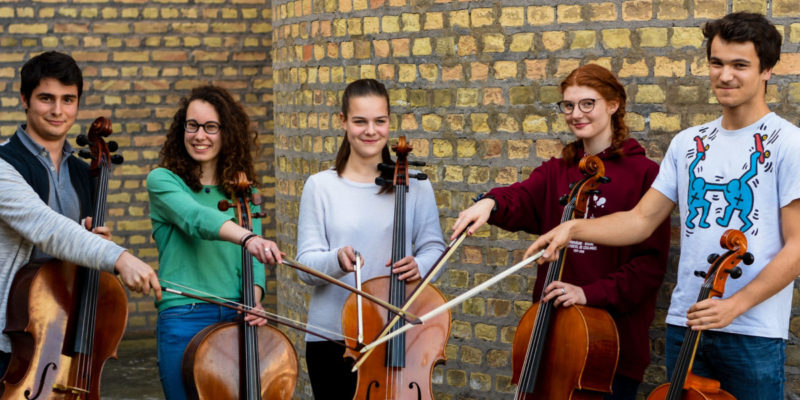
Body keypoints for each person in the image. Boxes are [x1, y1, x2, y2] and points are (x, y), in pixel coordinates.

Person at [527, 13, 799, 399]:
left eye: (740, 65)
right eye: (717, 63)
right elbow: (640, 220)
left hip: (750, 332)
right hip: (685, 324)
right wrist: (572, 228)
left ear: (767, 70)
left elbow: (798, 247)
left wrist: (735, 305)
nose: (725, 76)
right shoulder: (688, 143)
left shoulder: (789, 144)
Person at [451, 64, 669, 399]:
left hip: (609, 348)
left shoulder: (645, 174)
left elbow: (649, 267)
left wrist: (588, 293)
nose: (576, 114)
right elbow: (520, 197)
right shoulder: (558, 170)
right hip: (551, 339)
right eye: (568, 105)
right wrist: (490, 202)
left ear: (613, 105)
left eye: (587, 103)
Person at [0, 51, 161, 375]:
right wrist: (119, 257)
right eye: (46, 98)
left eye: (68, 99)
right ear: (24, 99)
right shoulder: (4, 165)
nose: (58, 110)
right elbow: (46, 228)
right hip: (8, 335)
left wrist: (94, 242)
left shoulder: (82, 171)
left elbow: (75, 245)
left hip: (62, 329)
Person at [296, 78, 446, 399]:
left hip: (397, 336)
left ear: (389, 122)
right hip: (332, 340)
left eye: (380, 121)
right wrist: (336, 259)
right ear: (343, 122)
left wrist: (420, 265)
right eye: (360, 121)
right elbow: (304, 267)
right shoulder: (321, 187)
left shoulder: (415, 185)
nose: (371, 131)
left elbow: (435, 247)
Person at [147, 85, 283, 400]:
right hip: (184, 317)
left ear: (226, 133)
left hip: (236, 317)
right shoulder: (164, 181)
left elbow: (253, 264)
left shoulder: (244, 194)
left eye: (211, 127)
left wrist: (255, 301)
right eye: (192, 125)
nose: (200, 135)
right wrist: (248, 237)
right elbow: (195, 218)